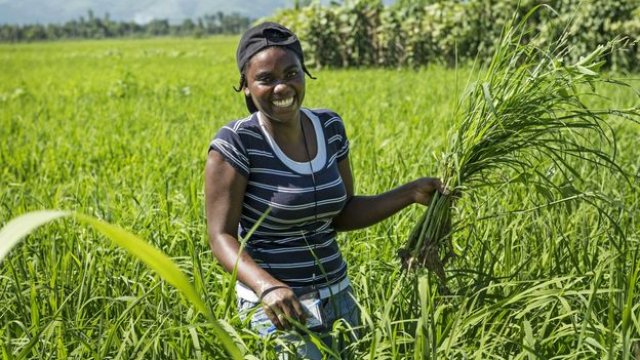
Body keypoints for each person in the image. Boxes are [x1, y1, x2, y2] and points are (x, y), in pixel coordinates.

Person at [204, 22, 445, 359]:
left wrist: (409, 193)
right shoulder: (236, 143)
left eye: (291, 73)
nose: (281, 87)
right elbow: (220, 237)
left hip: (340, 299)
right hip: (277, 312)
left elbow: (342, 212)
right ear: (245, 86)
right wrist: (266, 286)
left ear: (305, 73)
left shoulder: (329, 127)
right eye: (266, 79)